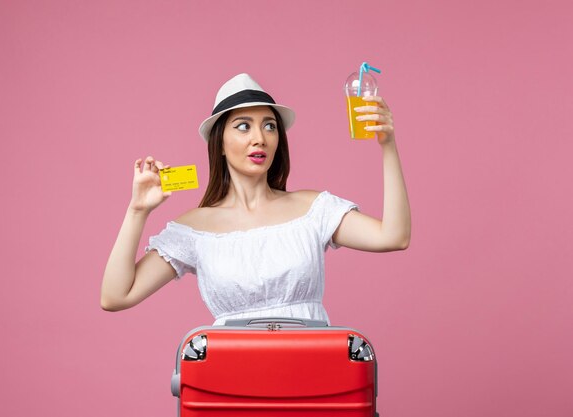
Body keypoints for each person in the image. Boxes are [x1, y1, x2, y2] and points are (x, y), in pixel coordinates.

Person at [101, 73, 410, 324]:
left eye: (269, 126)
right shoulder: (194, 229)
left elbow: (393, 237)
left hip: (312, 376)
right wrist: (137, 210)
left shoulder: (313, 209)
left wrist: (388, 145)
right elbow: (115, 297)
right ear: (219, 142)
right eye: (243, 126)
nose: (259, 138)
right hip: (233, 382)